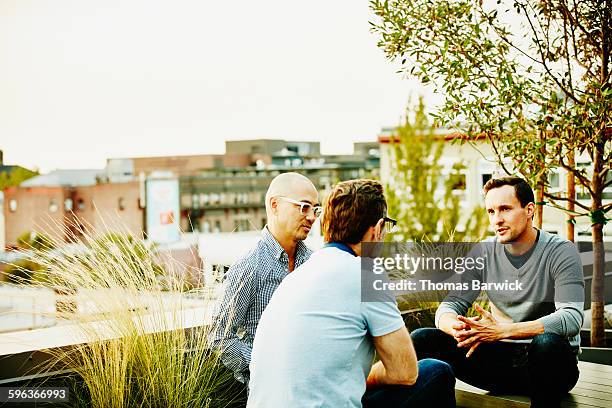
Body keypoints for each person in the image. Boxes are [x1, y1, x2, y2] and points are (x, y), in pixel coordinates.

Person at [248, 179, 456, 408]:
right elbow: (405, 372)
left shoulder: (297, 276)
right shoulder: (365, 274)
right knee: (437, 372)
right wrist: (367, 378)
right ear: (377, 229)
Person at [411, 176, 584, 407]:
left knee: (546, 344)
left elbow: (571, 318)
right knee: (422, 338)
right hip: (498, 364)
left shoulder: (561, 251)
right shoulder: (484, 251)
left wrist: (502, 331)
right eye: (491, 211)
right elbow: (449, 306)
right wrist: (459, 328)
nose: (497, 220)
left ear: (529, 210)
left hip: (551, 367)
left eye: (505, 209)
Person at [209, 172, 320, 403]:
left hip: (313, 392)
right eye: (304, 207)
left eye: (315, 210)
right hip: (270, 397)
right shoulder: (249, 266)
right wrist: (263, 362)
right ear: (275, 205)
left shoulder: (314, 263)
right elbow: (219, 336)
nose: (311, 217)